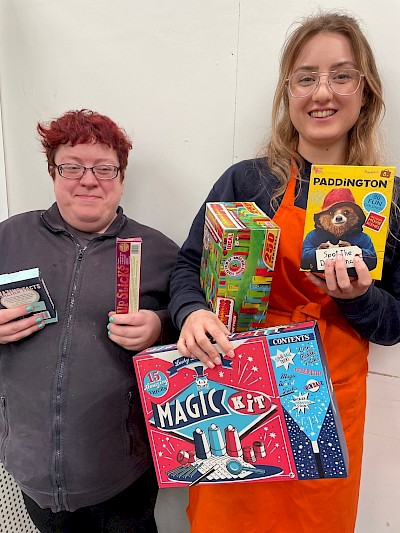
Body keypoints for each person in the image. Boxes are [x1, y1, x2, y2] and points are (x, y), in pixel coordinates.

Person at [169, 11, 400, 533]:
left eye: (342, 75)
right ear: (287, 93)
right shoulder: (246, 180)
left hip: (328, 408)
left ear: (366, 93)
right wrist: (192, 312)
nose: (323, 91)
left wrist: (359, 298)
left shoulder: (388, 201)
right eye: (306, 77)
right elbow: (188, 265)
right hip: (236, 390)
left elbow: (395, 323)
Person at [0, 109, 179, 532]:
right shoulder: (9, 237)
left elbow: (197, 327)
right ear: (51, 171)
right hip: (32, 470)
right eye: (72, 167)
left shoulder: (159, 251)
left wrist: (159, 326)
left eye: (104, 168)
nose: (88, 179)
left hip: (124, 474)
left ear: (120, 177)